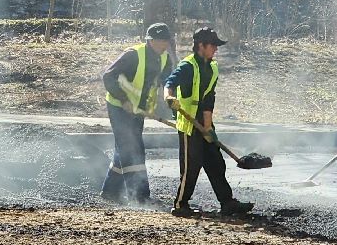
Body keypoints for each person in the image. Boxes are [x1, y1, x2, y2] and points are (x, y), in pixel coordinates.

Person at [163, 27, 255, 218]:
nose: (216, 49)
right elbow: (170, 83)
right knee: (191, 167)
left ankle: (227, 202)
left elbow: (208, 98)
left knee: (216, 162)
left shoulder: (212, 67)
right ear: (201, 46)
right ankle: (180, 205)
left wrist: (207, 127)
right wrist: (169, 97)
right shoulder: (188, 66)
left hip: (203, 122)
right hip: (189, 124)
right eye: (213, 45)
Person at [100, 23, 174, 205]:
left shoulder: (165, 59)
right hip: (119, 107)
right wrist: (124, 99)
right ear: (150, 41)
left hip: (138, 110)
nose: (164, 44)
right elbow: (108, 76)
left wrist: (169, 103)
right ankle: (140, 196)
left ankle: (110, 191)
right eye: (161, 41)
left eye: (166, 41)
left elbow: (167, 82)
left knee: (124, 149)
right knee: (133, 148)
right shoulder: (133, 55)